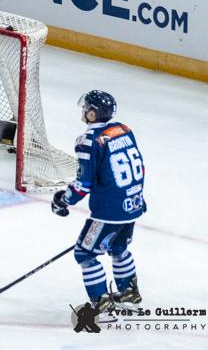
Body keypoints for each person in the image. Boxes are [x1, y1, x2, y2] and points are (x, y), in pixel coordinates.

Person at [51, 91, 146, 311]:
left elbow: (84, 184)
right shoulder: (124, 130)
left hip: (108, 211)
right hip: (132, 203)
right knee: (118, 247)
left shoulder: (88, 141)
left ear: (92, 114)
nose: (83, 111)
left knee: (84, 253)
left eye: (86, 108)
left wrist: (63, 200)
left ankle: (101, 301)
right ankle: (129, 292)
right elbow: (139, 168)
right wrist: (138, 197)